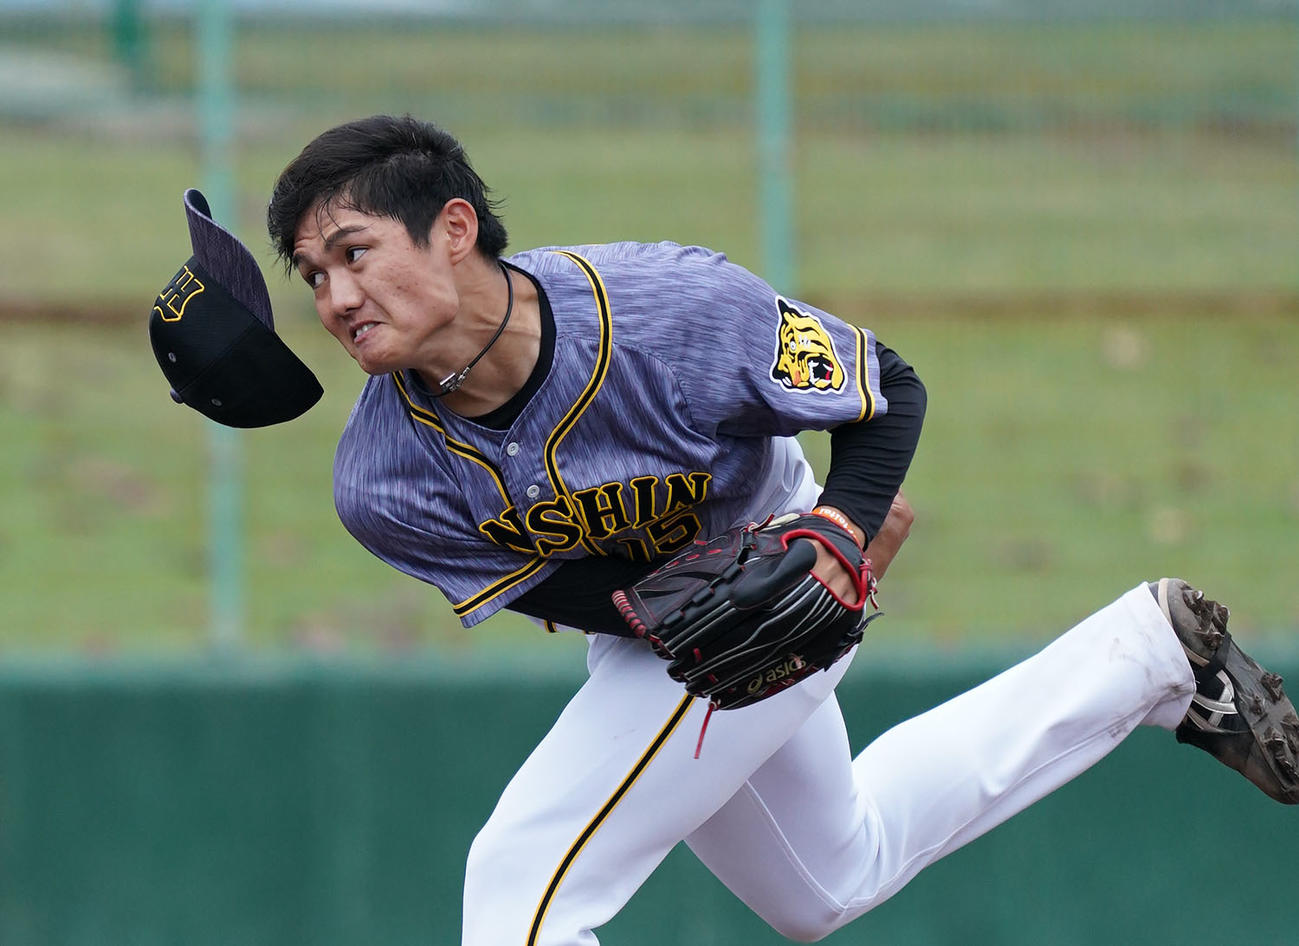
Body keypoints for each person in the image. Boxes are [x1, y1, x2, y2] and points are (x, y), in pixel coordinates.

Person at [264, 114, 1297, 945]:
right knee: (826, 882)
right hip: (677, 626)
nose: (337, 295)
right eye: (312, 275)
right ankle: (1142, 657)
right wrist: (664, 606)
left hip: (786, 548)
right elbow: (555, 589)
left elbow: (883, 385)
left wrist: (836, 533)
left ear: (452, 228)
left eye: (353, 252)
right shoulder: (381, 476)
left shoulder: (670, 310)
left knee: (521, 888)